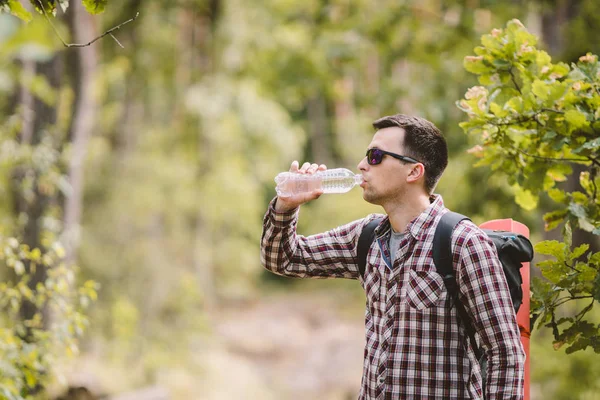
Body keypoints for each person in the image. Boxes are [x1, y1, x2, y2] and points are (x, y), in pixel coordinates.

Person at [260, 114, 525, 399]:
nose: (362, 165)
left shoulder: (463, 243)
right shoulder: (365, 237)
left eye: (375, 156)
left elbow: (505, 354)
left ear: (414, 172)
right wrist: (285, 207)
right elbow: (284, 259)